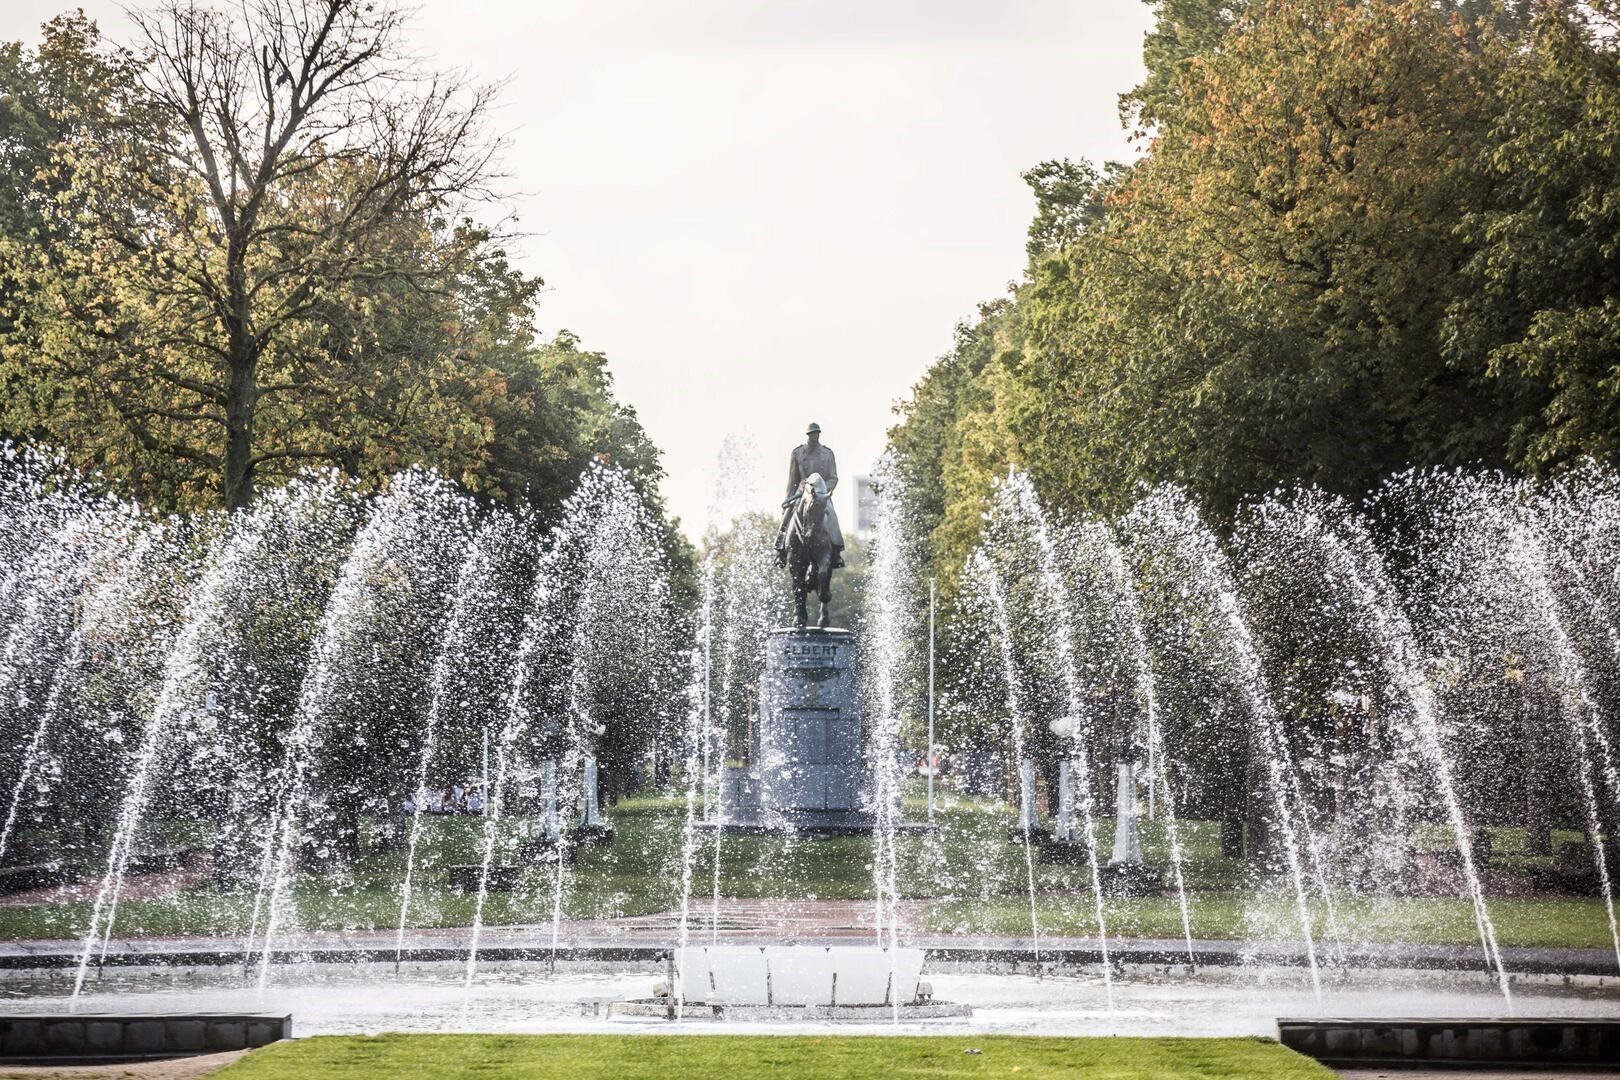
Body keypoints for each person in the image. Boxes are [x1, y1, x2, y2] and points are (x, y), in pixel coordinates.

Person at [780, 422, 845, 568]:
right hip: (802, 494)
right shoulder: (797, 453)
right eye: (811, 434)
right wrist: (788, 499)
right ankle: (780, 550)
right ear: (808, 435)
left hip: (821, 495)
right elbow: (792, 480)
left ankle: (837, 552)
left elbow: (833, 477)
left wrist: (823, 490)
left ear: (819, 434)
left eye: (816, 433)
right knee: (787, 515)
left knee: (832, 516)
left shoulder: (828, 453)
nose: (814, 436)